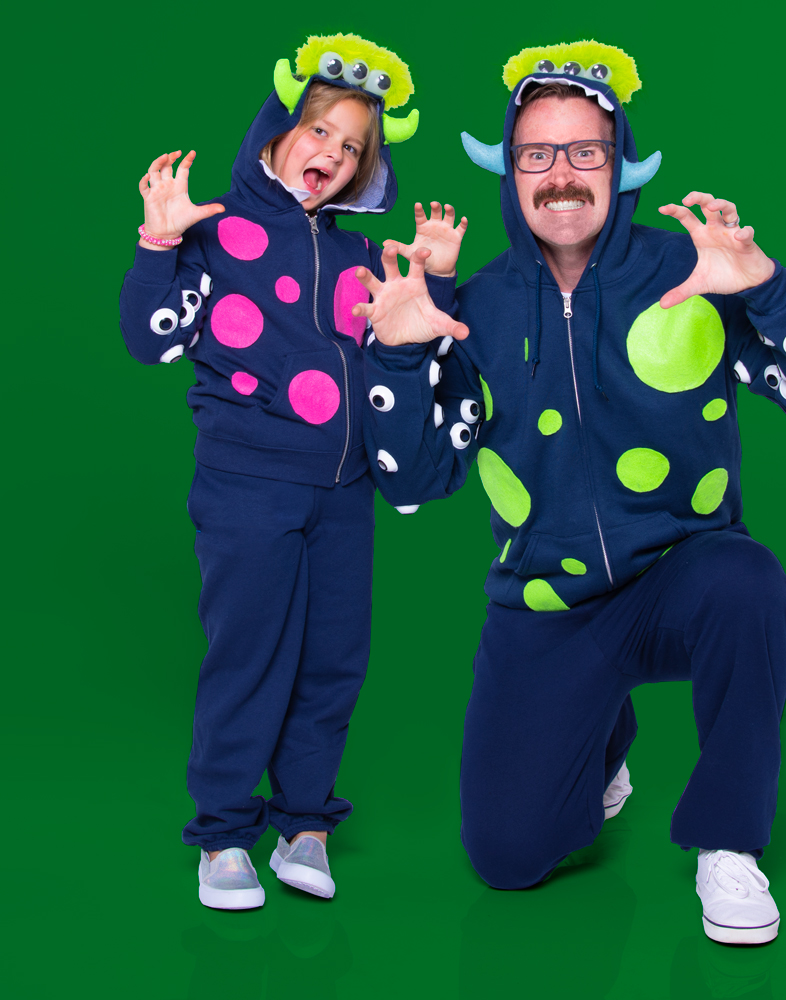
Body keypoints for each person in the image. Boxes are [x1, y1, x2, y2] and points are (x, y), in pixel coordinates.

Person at [355, 40, 786, 944]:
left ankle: (729, 845)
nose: (561, 175)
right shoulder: (472, 309)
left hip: (685, 578)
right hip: (547, 605)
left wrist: (766, 288)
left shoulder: (690, 275)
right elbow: (415, 478)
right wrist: (401, 357)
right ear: (511, 170)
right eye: (537, 154)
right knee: (509, 858)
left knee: (749, 585)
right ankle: (603, 738)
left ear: (620, 161)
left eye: (583, 152)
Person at [118, 32, 466, 910]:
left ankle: (305, 824)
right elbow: (149, 339)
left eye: (353, 147)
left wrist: (440, 288)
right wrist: (160, 245)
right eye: (319, 129)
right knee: (252, 656)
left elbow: (415, 357)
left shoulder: (359, 259)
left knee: (333, 660)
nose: (334, 153)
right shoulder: (220, 231)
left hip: (346, 494)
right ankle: (225, 835)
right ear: (276, 131)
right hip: (249, 486)